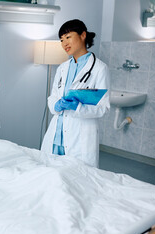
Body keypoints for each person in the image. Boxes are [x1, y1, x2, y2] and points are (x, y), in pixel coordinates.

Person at [41, 19, 110, 168]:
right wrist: (56, 104)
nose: (64, 43)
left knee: (76, 181)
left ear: (83, 35)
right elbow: (52, 97)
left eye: (68, 37)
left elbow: (103, 107)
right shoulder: (62, 68)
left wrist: (77, 107)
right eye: (61, 40)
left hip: (79, 137)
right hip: (56, 135)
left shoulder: (99, 69)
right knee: (49, 177)